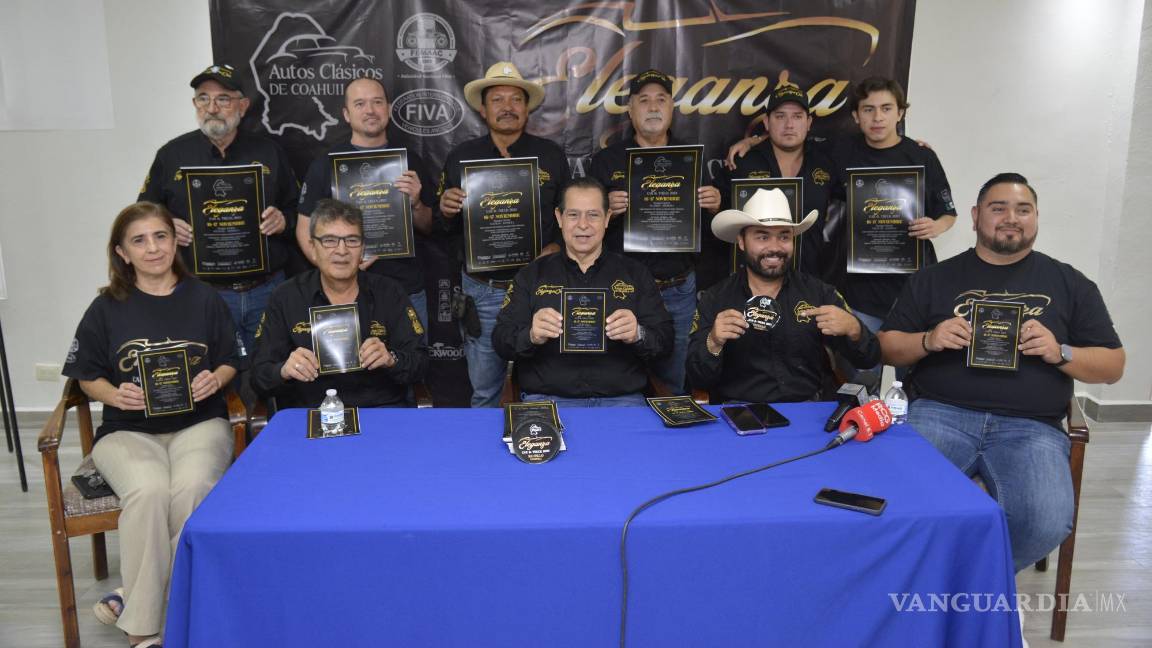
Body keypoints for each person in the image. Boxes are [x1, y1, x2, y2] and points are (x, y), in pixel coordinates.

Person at [877, 173, 1125, 572]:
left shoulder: (1071, 283)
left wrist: (1059, 351)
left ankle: (965, 584)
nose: (1011, 217)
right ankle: (936, 580)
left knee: (1045, 521)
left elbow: (1113, 366)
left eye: (1022, 209)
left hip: (1031, 428)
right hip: (940, 415)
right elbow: (886, 346)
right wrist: (929, 339)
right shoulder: (932, 278)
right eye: (998, 208)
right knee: (889, 501)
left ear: (1036, 218)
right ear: (975, 217)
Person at [62, 202, 238, 648]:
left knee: (193, 487)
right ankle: (145, 627)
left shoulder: (204, 297)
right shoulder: (105, 308)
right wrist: (111, 393)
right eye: (138, 240)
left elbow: (231, 361)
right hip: (127, 429)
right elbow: (85, 375)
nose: (152, 247)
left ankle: (138, 599)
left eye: (160, 235)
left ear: (175, 240)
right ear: (122, 252)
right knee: (149, 490)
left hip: (199, 422)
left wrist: (215, 378)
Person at [138, 63, 299, 360]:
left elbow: (299, 209)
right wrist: (167, 224)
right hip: (200, 291)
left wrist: (284, 219)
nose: (212, 108)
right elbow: (142, 215)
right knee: (207, 370)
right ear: (194, 104)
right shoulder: (172, 155)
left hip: (266, 289)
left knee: (270, 369)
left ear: (243, 105)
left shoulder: (269, 152)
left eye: (223, 99)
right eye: (203, 98)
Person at [435, 62, 571, 407]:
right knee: (484, 390)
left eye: (515, 100)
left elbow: (570, 214)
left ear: (527, 109)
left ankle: (539, 448)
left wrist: (556, 244)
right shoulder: (461, 158)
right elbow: (440, 229)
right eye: (498, 100)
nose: (507, 107)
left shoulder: (551, 155)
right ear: (483, 109)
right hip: (484, 290)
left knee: (545, 387)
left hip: (543, 285)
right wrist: (446, 209)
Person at [587, 69, 722, 394]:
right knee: (618, 378)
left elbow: (713, 229)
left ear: (672, 108)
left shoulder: (693, 158)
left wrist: (717, 205)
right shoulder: (606, 161)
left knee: (677, 379)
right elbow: (582, 228)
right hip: (623, 291)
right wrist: (605, 211)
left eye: (661, 100)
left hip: (677, 289)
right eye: (643, 100)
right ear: (631, 110)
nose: (652, 107)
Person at [492, 178, 673, 406]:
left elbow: (666, 342)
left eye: (593, 215)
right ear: (559, 218)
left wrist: (638, 334)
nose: (583, 225)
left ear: (607, 219)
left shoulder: (636, 274)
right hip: (548, 401)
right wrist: (530, 335)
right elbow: (500, 340)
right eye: (573, 215)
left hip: (621, 401)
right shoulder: (531, 275)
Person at [687, 188, 879, 403]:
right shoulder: (716, 299)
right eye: (762, 237)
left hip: (806, 411)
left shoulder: (819, 293)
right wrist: (713, 342)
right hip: (740, 411)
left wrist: (854, 329)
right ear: (741, 241)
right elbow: (697, 377)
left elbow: (870, 358)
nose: (775, 248)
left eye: (784, 236)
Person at [251, 199, 428, 408]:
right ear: (313, 247)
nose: (342, 250)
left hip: (380, 410)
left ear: (362, 248)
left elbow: (421, 362)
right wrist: (283, 370)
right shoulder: (286, 297)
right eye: (330, 241)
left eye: (352, 240)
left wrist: (391, 359)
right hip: (312, 413)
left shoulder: (389, 292)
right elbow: (258, 375)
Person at [296, 77, 437, 331]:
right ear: (346, 114)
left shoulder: (410, 161)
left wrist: (416, 204)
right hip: (345, 291)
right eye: (360, 104)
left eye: (377, 102)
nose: (370, 110)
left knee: (412, 365)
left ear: (388, 109)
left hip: (406, 288)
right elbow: (304, 229)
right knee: (351, 369)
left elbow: (428, 227)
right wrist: (335, 267)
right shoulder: (325, 164)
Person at [718, 83, 839, 279]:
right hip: (752, 280)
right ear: (767, 122)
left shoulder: (826, 162)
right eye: (780, 116)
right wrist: (713, 205)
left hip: (807, 278)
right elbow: (719, 215)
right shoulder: (743, 162)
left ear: (808, 122)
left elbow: (859, 199)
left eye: (797, 116)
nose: (789, 124)